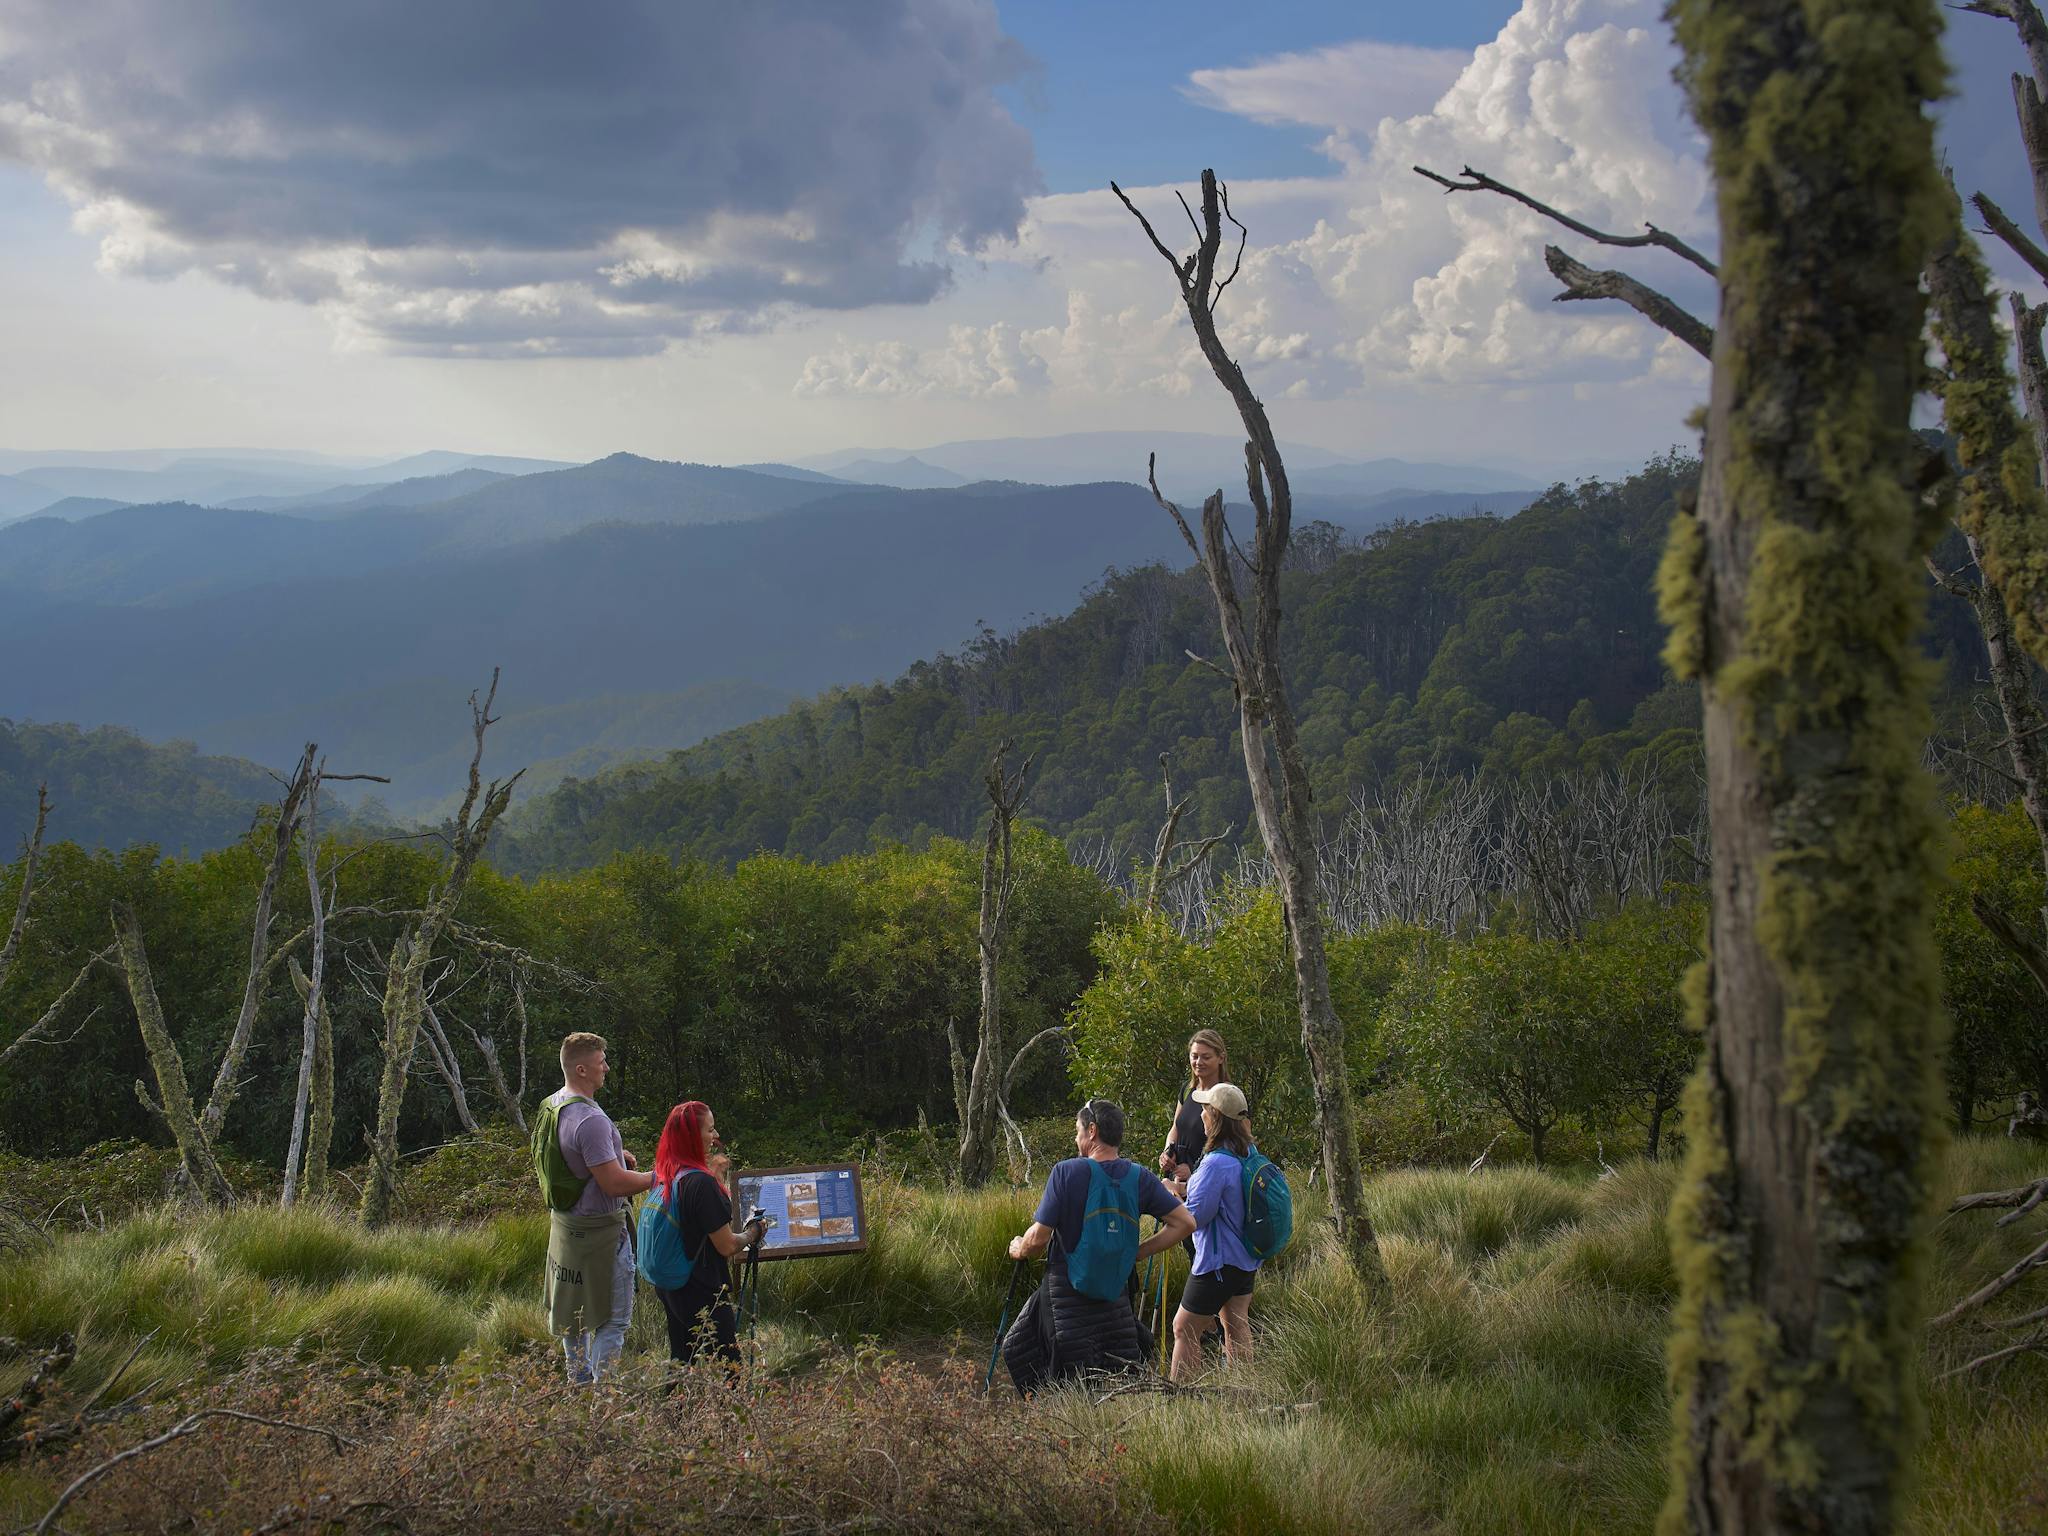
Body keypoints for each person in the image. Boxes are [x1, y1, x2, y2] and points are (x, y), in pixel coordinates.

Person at [1001, 1099, 1193, 1393]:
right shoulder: (1140, 1176)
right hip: (1115, 1297)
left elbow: (1038, 1240)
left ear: (1092, 1131)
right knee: (1112, 1371)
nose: (1076, 1137)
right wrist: (1136, 1253)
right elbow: (1185, 1223)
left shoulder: (1066, 1172)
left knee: (1024, 1351)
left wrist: (1018, 1247)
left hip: (1066, 1296)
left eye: (1078, 1130)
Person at [536, 1032, 652, 1385]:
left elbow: (572, 1159)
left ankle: (578, 1382)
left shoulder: (553, 1105)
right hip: (601, 1235)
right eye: (602, 1062)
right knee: (613, 1320)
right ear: (583, 1069)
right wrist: (657, 1176)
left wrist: (618, 1156)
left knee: (573, 1313)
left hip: (566, 1230)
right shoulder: (591, 1120)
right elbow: (614, 1184)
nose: (607, 1068)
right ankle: (604, 1398)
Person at [647, 1100, 767, 1366]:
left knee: (681, 1358)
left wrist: (714, 1177)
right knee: (729, 1366)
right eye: (710, 1130)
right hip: (701, 1289)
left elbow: (691, 1219)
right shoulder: (700, 1184)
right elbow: (726, 1245)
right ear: (692, 1136)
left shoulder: (668, 1173)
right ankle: (729, 1408)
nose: (716, 1136)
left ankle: (674, 1407)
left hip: (671, 1285)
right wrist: (753, 1233)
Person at [1170, 1081, 1261, 1383]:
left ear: (1215, 1117)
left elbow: (1196, 1217)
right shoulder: (1249, 1152)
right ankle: (1243, 1392)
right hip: (1246, 1257)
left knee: (1184, 1328)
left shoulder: (1215, 1163)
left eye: (1206, 1110)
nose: (1201, 1116)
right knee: (1236, 1323)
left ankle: (1182, 1400)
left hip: (1217, 1262)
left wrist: (1173, 1195)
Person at [1159, 1029, 1229, 1199]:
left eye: (1206, 1057)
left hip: (1206, 1187)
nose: (1199, 1062)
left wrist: (1194, 1171)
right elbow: (1176, 1127)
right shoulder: (1187, 1090)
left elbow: (1235, 1147)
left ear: (1221, 1058)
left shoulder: (1228, 1096)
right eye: (1194, 1056)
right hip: (1177, 1182)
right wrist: (1168, 1152)